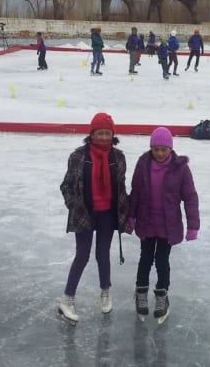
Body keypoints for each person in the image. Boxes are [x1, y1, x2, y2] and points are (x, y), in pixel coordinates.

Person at [58, 113, 130, 325]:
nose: (104, 137)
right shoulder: (78, 156)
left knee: (103, 254)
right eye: (100, 133)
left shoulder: (118, 157)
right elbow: (67, 187)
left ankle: (105, 291)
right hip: (85, 214)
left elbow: (121, 188)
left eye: (107, 133)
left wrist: (127, 210)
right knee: (82, 256)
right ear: (92, 133)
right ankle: (67, 299)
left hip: (107, 213)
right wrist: (75, 206)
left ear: (113, 134)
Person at [127, 127, 200, 322]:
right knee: (145, 258)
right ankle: (141, 293)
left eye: (164, 149)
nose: (159, 153)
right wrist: (131, 217)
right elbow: (135, 192)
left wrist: (193, 226)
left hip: (168, 224)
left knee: (162, 260)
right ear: (151, 148)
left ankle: (162, 296)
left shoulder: (181, 168)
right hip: (147, 220)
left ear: (170, 149)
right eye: (156, 149)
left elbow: (190, 197)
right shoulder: (143, 164)